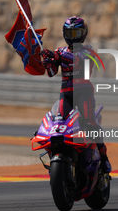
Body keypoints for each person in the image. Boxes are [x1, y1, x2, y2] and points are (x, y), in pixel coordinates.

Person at [41, 16, 111, 173]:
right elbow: (51, 73)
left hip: (84, 93)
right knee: (58, 124)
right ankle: (60, 155)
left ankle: (104, 159)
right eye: (70, 33)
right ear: (64, 33)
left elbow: (79, 60)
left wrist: (56, 57)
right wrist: (48, 61)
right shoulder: (60, 51)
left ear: (83, 33)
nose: (73, 38)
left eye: (76, 33)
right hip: (65, 94)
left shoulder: (88, 51)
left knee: (90, 124)